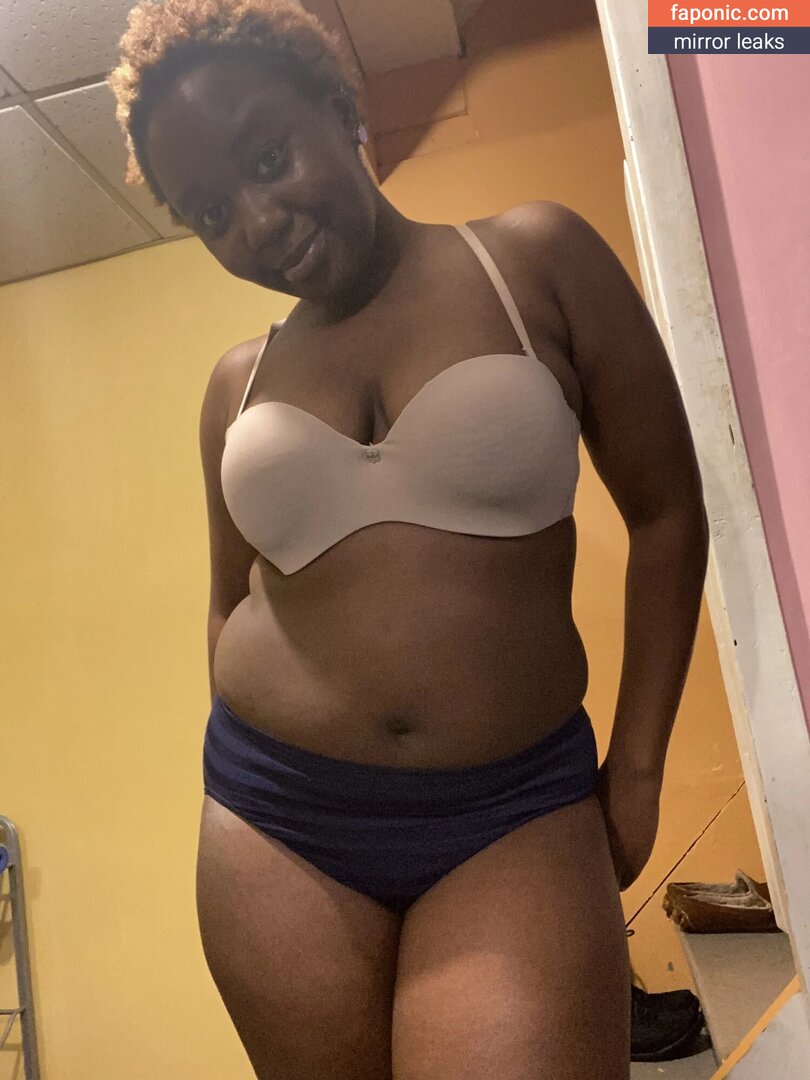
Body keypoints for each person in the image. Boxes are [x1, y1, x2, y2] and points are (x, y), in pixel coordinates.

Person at [109, 2, 709, 1077]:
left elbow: (667, 515)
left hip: (512, 808)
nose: (257, 223)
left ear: (338, 104)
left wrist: (636, 770)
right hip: (274, 819)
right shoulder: (234, 387)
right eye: (211, 213)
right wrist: (249, 755)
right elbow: (230, 598)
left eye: (268, 158)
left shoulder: (535, 261)